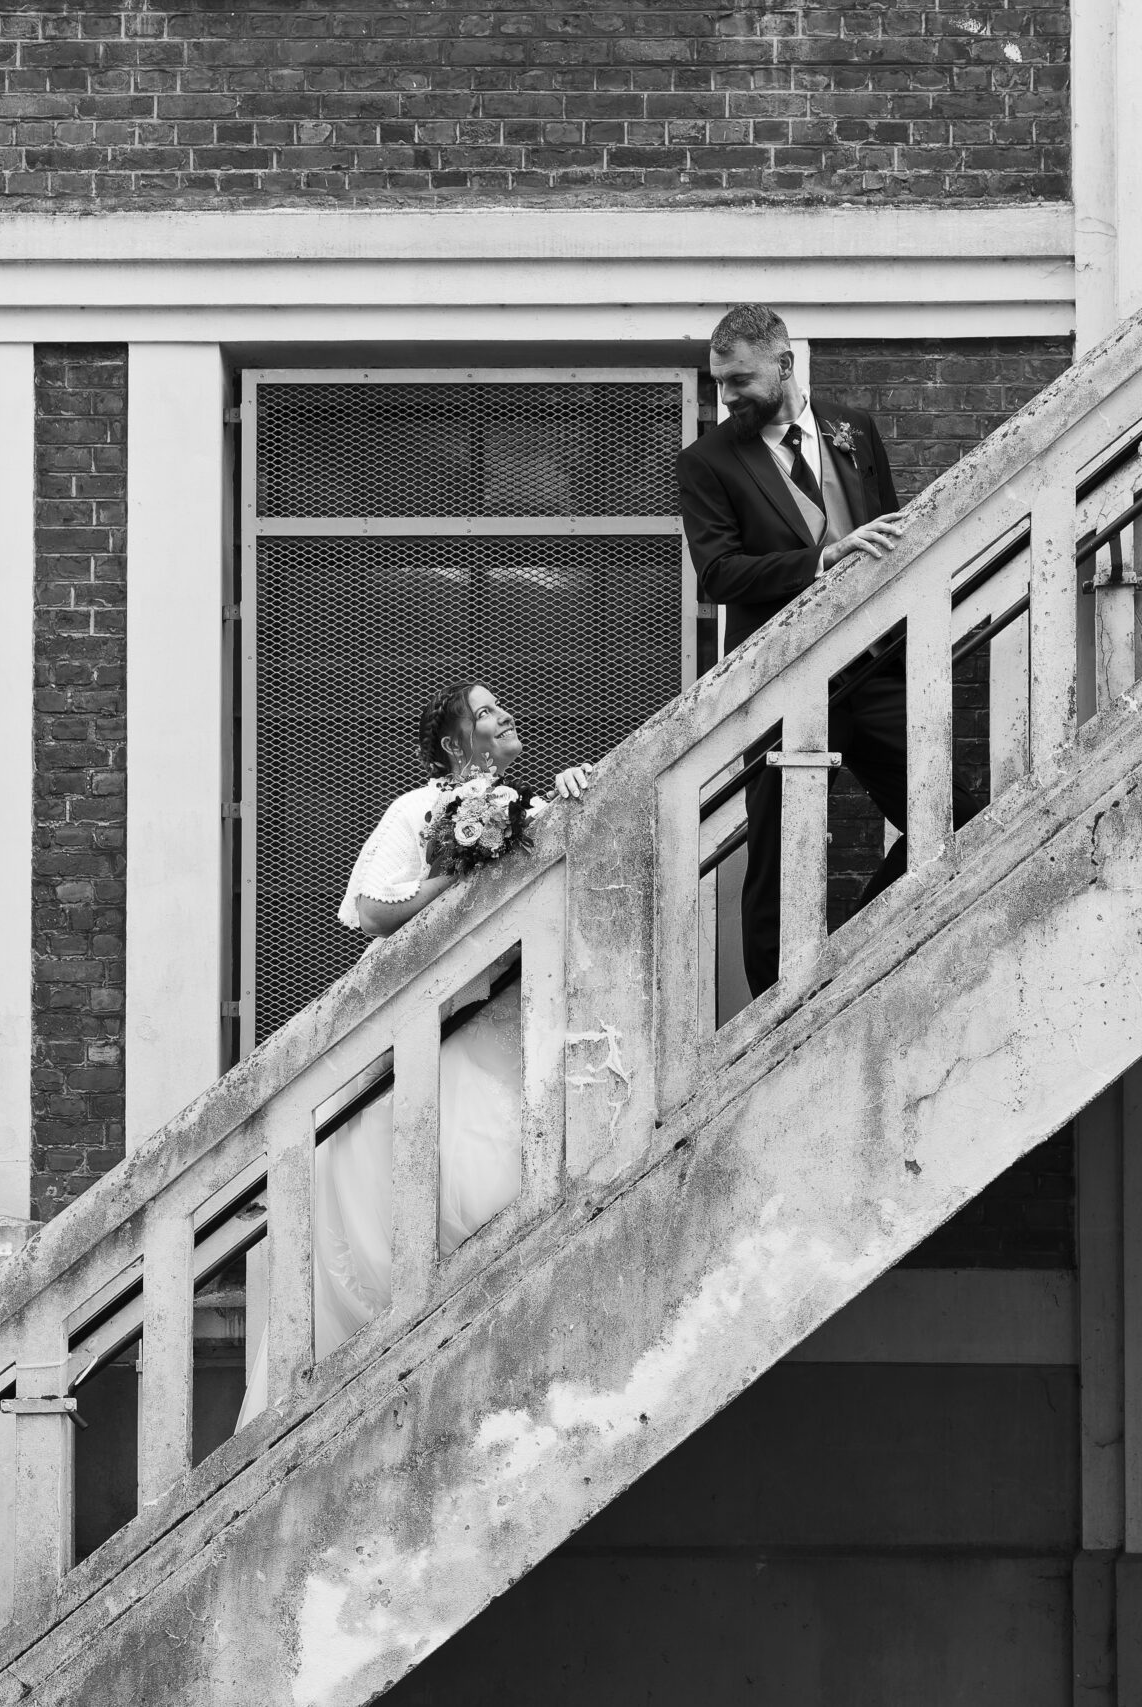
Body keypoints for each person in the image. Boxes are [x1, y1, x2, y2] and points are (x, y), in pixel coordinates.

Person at [238, 684, 594, 1426]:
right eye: (488, 711)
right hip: (437, 1033)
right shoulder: (415, 811)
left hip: (504, 1023)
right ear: (455, 746)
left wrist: (569, 794)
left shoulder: (524, 806)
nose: (505, 715)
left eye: (503, 705)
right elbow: (370, 910)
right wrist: (453, 873)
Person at [677, 303, 918, 994]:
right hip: (783, 683)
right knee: (776, 863)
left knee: (955, 813)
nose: (727, 396)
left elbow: (891, 530)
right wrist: (821, 559)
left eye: (740, 380)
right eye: (719, 382)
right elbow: (718, 573)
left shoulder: (855, 429)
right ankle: (775, 1010)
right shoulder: (706, 462)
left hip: (876, 670)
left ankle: (858, 954)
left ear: (785, 365)